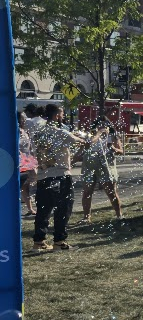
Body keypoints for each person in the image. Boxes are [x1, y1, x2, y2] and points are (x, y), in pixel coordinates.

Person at [31, 104, 95, 251]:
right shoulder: (60, 132)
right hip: (59, 175)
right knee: (63, 208)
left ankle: (39, 242)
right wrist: (94, 135)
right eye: (62, 114)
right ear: (56, 116)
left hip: (43, 176)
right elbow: (83, 141)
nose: (63, 117)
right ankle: (59, 241)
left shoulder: (38, 133)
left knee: (43, 209)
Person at [80, 121, 124, 221]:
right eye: (100, 126)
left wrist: (113, 148)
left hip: (106, 165)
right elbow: (87, 145)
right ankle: (86, 217)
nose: (103, 128)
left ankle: (119, 214)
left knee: (111, 191)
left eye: (105, 126)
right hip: (90, 165)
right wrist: (98, 134)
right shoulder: (91, 136)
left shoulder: (112, 136)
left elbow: (121, 151)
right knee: (87, 191)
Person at [18, 111, 38, 215]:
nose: (24, 119)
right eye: (22, 118)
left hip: (27, 159)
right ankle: (29, 208)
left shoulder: (25, 131)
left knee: (27, 185)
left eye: (25, 117)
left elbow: (30, 147)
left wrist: (33, 158)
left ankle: (30, 208)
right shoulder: (16, 131)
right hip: (20, 161)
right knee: (23, 184)